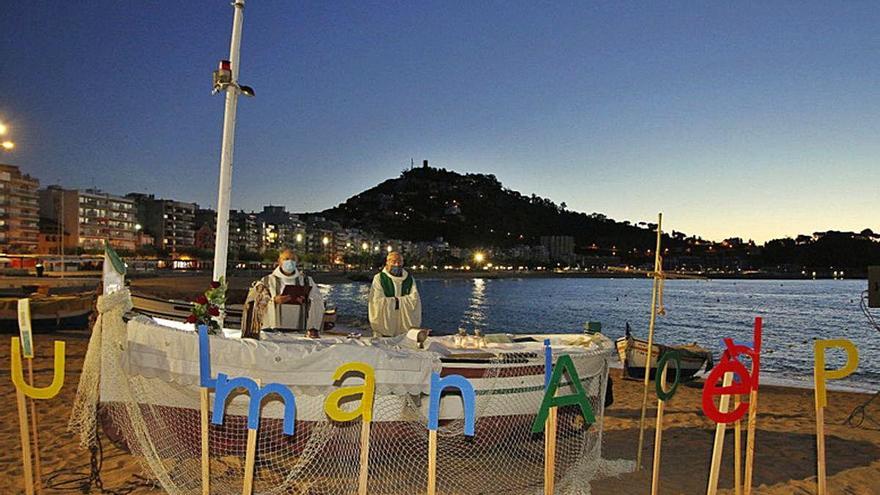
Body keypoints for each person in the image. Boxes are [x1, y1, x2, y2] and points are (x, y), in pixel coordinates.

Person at [247, 249, 324, 332]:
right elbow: (254, 303)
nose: (290, 262)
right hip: (271, 332)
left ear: (297, 262)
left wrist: (307, 302)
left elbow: (318, 302)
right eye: (286, 259)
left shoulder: (307, 281)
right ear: (279, 261)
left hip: (300, 332)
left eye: (293, 259)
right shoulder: (266, 281)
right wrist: (273, 301)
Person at [368, 251, 421, 337]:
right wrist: (400, 301)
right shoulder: (379, 278)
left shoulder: (409, 279)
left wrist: (394, 302)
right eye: (393, 261)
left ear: (403, 263)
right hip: (385, 329)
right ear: (387, 262)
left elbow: (414, 299)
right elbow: (377, 301)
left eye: (399, 261)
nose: (397, 264)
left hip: (404, 331)